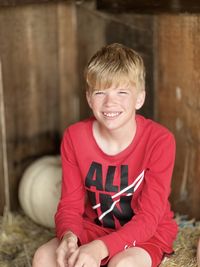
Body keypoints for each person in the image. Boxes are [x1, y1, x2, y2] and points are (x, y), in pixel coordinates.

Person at [32, 43, 178, 267]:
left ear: (139, 98)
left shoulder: (160, 141)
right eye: (101, 92)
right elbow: (70, 206)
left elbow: (148, 219)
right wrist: (69, 236)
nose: (110, 102)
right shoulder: (74, 137)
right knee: (43, 257)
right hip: (94, 229)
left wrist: (100, 249)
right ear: (89, 98)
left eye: (122, 92)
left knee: (122, 265)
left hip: (145, 235)